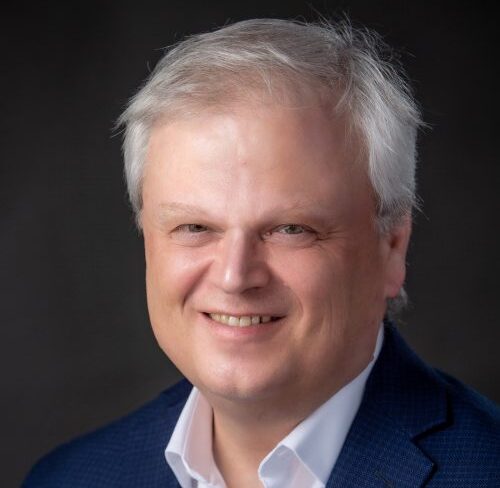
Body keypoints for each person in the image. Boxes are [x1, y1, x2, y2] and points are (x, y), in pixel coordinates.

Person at [23, 18, 500, 488]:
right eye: (194, 227)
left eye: (291, 229)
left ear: (392, 246)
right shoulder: (68, 478)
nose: (235, 276)